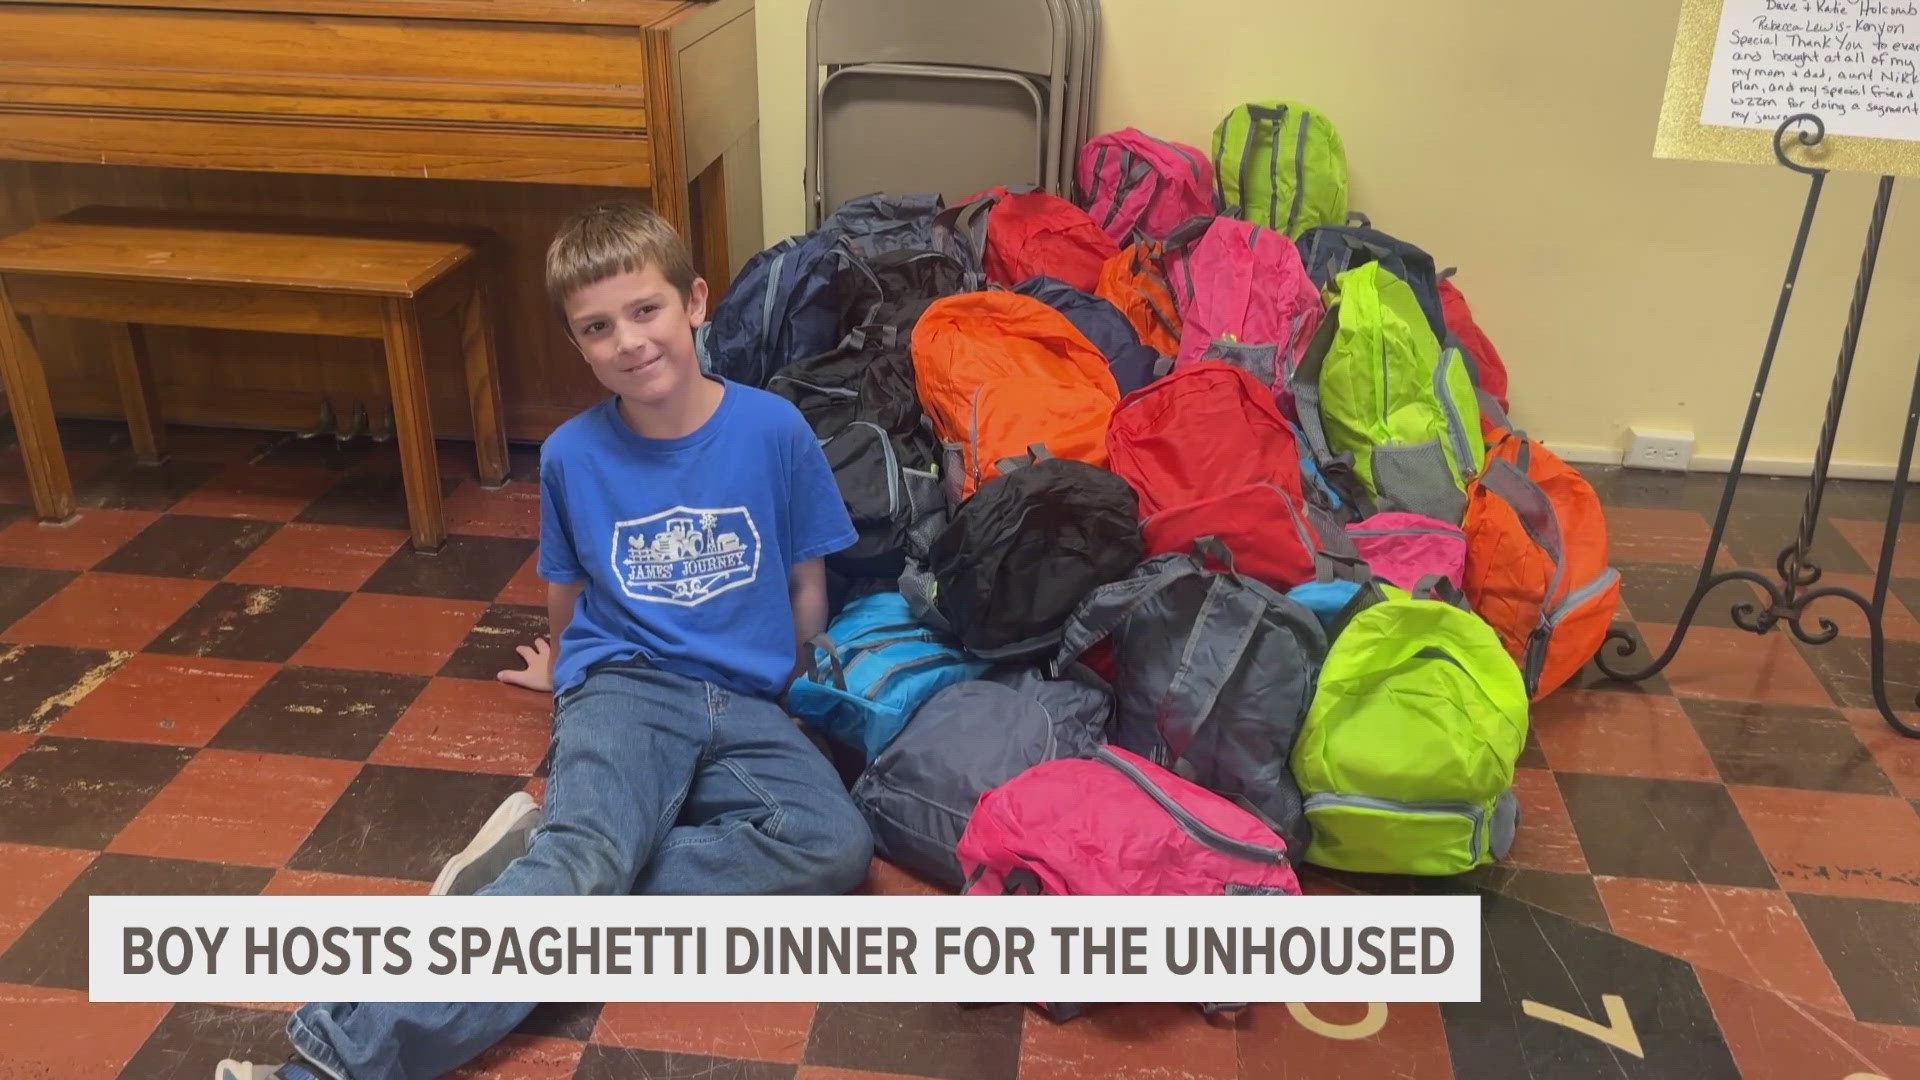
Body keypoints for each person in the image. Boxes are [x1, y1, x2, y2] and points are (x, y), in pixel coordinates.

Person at [220, 202, 875, 1080]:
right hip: (628, 685)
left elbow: (806, 579)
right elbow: (566, 587)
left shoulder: (774, 430)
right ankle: (334, 1061)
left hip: (750, 699)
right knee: (589, 863)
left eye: (645, 311)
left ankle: (547, 862)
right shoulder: (571, 453)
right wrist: (567, 673)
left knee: (833, 845)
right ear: (578, 344)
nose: (629, 342)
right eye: (597, 328)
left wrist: (799, 687)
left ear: (695, 301)